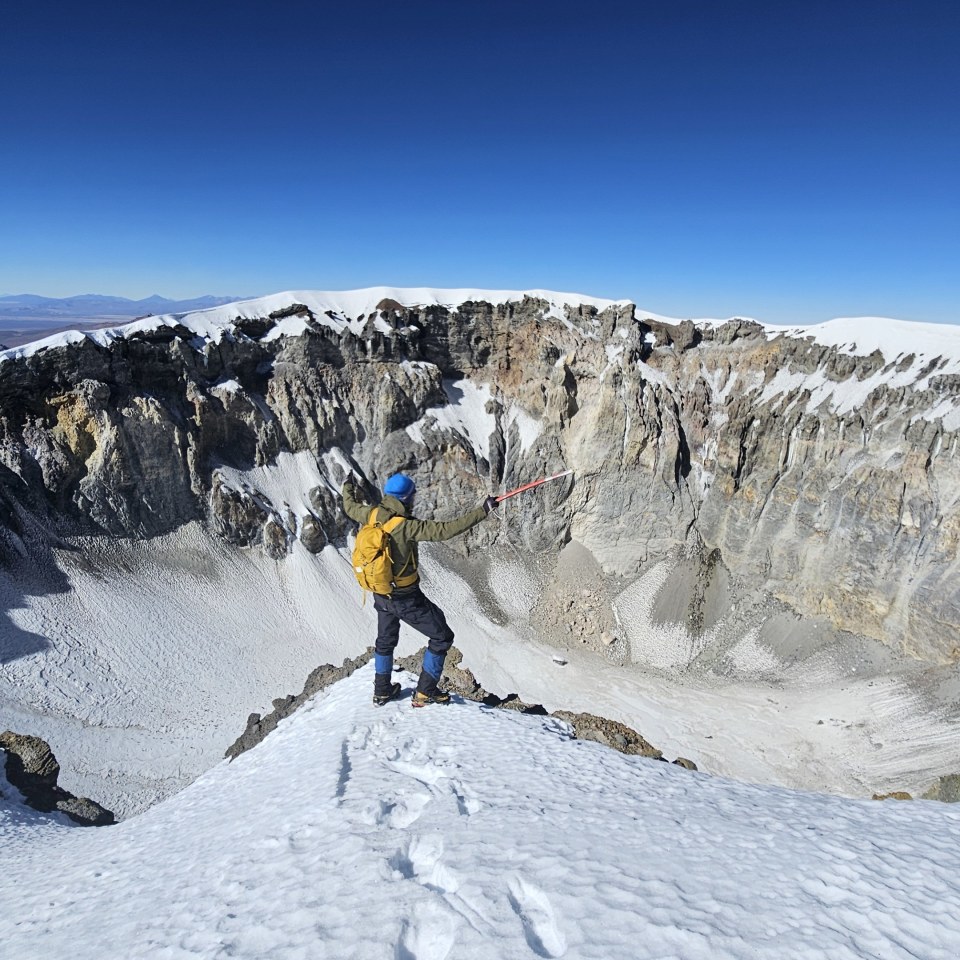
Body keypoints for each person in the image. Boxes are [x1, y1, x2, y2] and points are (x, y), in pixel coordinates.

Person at [342, 473, 498, 706]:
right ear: (406, 498)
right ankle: (425, 691)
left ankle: (382, 691)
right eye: (412, 495)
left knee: (385, 641)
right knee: (442, 636)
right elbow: (447, 530)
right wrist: (483, 510)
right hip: (405, 598)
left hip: (380, 593)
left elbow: (350, 506)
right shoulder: (406, 527)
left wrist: (347, 486)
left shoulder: (370, 514)